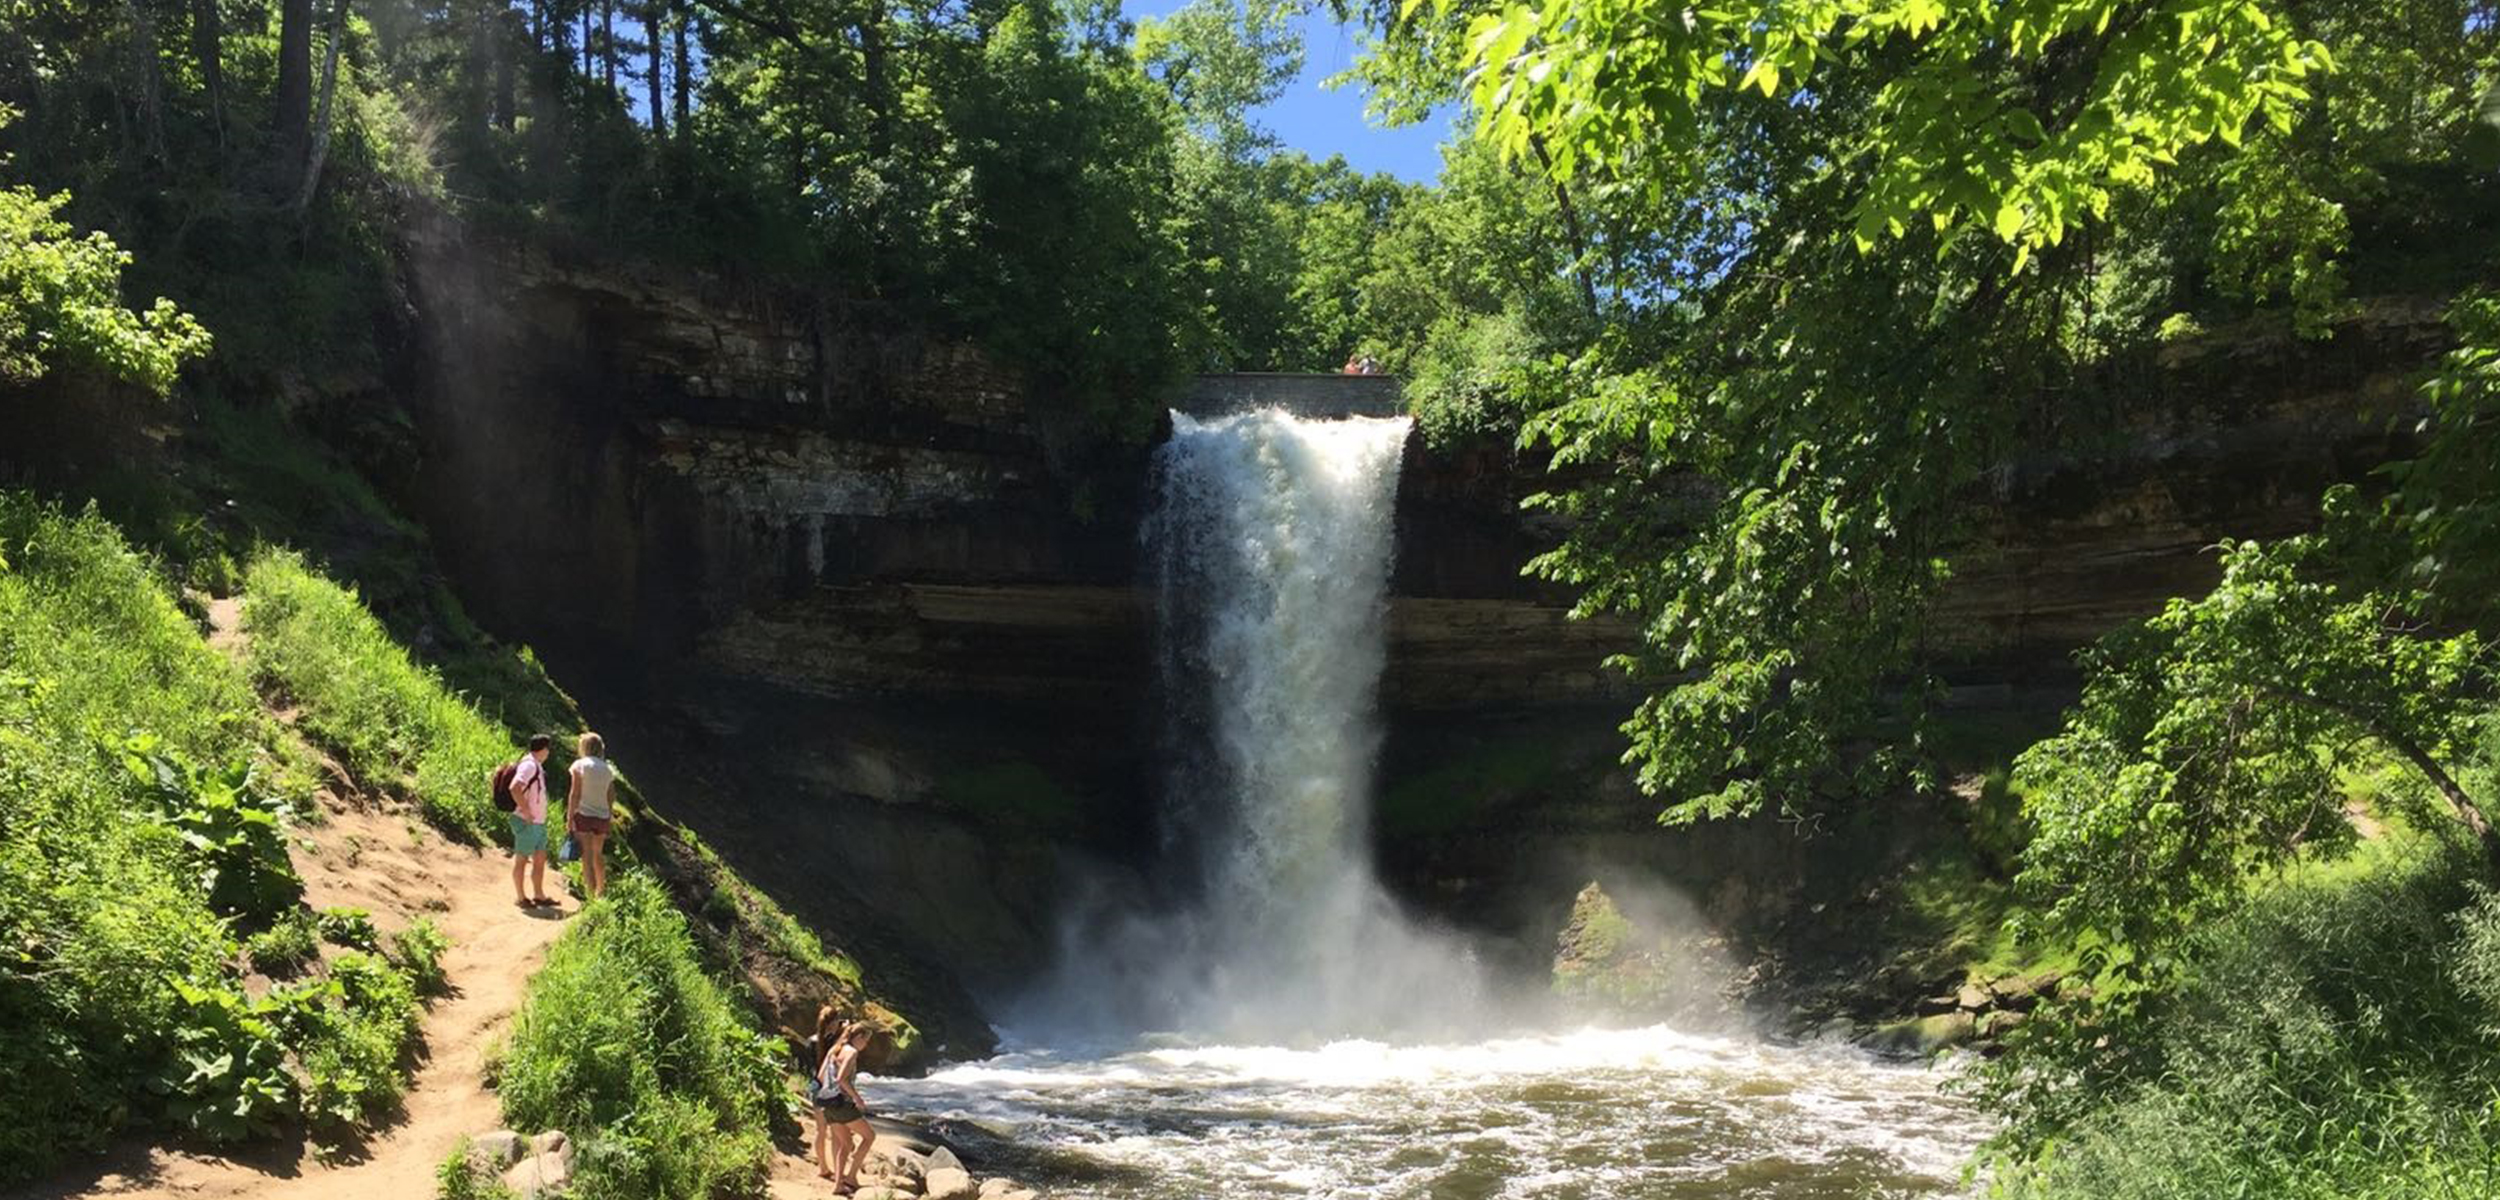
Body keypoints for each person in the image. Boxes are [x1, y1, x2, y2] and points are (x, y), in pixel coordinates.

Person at [818, 1022, 876, 1194]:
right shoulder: (851, 1052)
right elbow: (842, 1079)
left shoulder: (834, 1050)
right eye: (866, 1040)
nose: (866, 1045)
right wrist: (857, 1098)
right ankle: (851, 1177)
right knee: (869, 1136)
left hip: (827, 1103)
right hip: (842, 1103)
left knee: (846, 1143)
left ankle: (838, 1185)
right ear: (858, 1037)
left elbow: (821, 1076)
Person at [566, 731, 618, 899]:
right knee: (598, 854)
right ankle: (600, 891)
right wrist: (608, 816)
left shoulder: (579, 765)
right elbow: (611, 795)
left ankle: (590, 896)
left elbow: (575, 793)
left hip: (584, 814)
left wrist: (570, 817)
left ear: (585, 747)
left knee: (586, 856)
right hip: (602, 816)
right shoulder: (608, 769)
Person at [509, 734, 555, 909]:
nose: (548, 753)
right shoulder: (529, 765)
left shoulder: (536, 765)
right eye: (548, 749)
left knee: (540, 858)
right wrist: (526, 811)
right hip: (527, 821)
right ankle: (521, 897)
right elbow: (515, 787)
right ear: (543, 749)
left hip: (538, 823)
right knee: (521, 859)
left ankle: (539, 895)